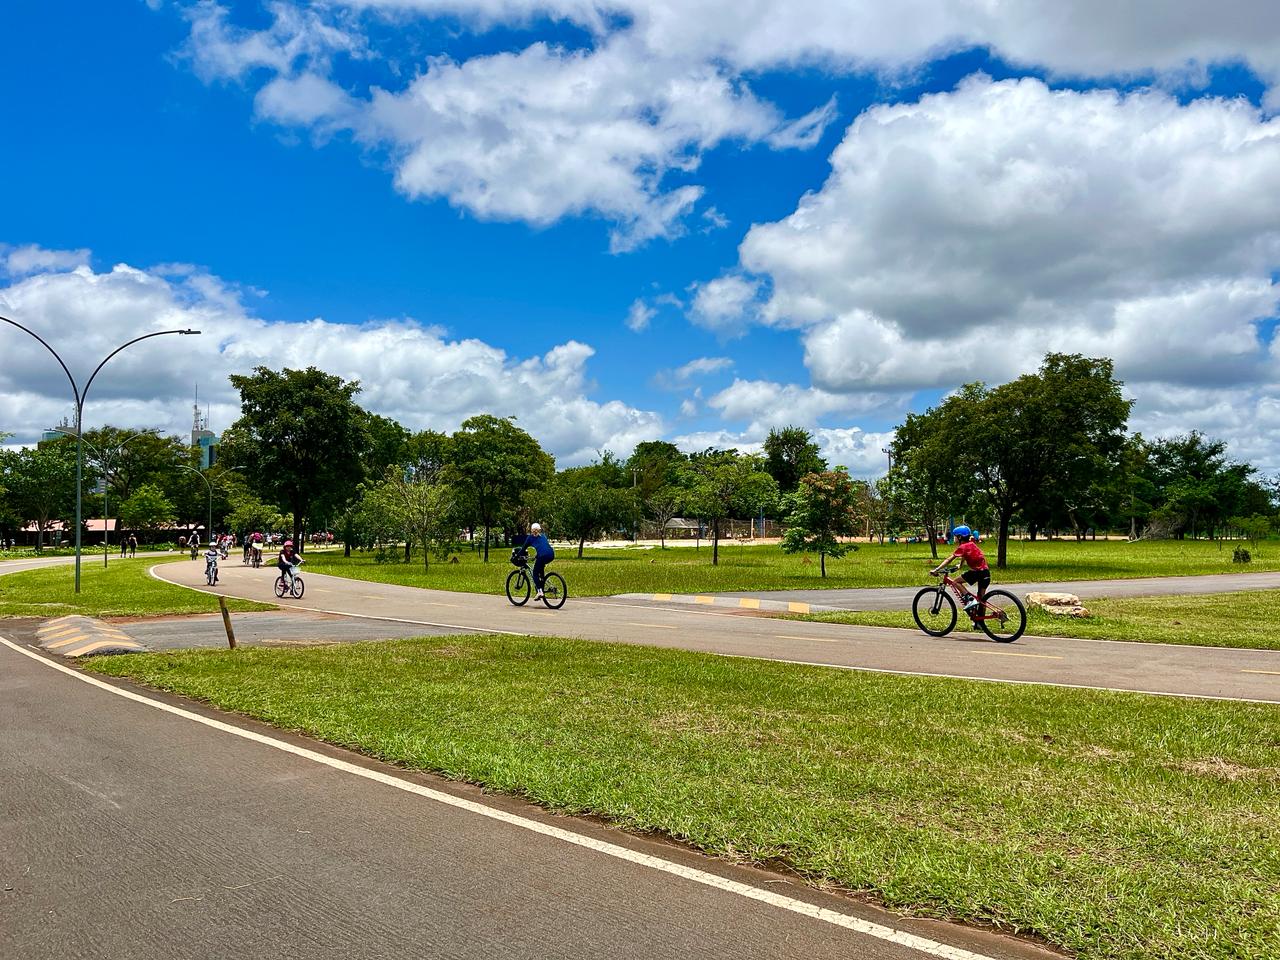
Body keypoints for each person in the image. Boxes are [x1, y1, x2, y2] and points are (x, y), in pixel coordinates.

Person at [930, 525, 989, 616]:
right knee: (981, 599)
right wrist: (960, 566)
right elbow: (965, 556)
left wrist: (936, 569)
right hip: (986, 573)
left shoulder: (962, 547)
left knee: (955, 582)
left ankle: (970, 599)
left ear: (960, 537)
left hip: (977, 572)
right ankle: (980, 622)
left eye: (955, 536)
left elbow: (949, 559)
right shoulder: (972, 544)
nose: (954, 538)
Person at [511, 522, 555, 600]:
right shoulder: (543, 536)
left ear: (531, 530)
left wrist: (516, 557)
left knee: (535, 573)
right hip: (551, 555)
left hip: (542, 556)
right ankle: (542, 583)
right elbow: (543, 547)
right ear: (540, 530)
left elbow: (522, 550)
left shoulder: (530, 538)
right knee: (540, 569)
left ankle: (540, 591)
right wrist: (536, 556)